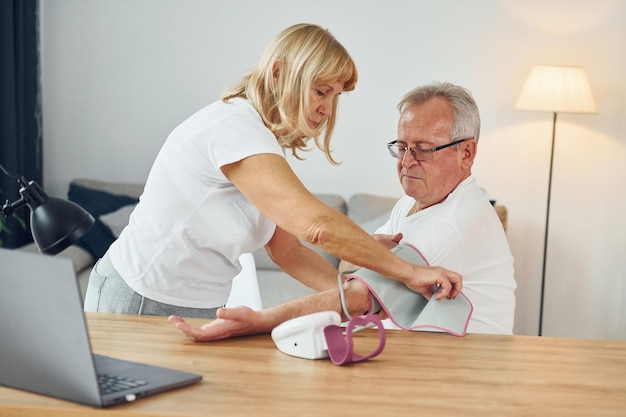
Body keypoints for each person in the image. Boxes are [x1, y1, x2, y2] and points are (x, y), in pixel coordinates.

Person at [84, 24, 462, 319]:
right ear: (279, 73)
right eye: (320, 91)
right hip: (140, 297)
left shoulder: (261, 140)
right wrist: (407, 274)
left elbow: (286, 249)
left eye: (335, 95)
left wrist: (351, 296)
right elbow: (317, 225)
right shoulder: (233, 128)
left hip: (197, 303)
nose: (328, 109)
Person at [169, 82, 516, 339]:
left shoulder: (454, 222)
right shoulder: (411, 204)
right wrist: (362, 264)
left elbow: (359, 296)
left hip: (469, 371)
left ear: (466, 153)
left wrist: (258, 321)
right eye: (402, 146)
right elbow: (354, 270)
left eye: (423, 149)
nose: (407, 161)